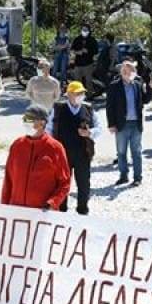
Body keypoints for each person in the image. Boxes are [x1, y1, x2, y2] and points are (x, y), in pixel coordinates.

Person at [46, 82, 102, 215]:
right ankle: (61, 209)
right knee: (62, 183)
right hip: (62, 154)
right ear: (69, 94)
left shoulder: (89, 109)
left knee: (84, 183)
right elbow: (48, 129)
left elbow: (99, 128)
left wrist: (90, 133)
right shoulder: (58, 108)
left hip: (83, 153)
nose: (80, 96)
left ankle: (82, 210)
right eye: (77, 93)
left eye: (82, 93)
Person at [3, 105, 71, 210]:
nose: (26, 122)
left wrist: (52, 203)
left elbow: (64, 183)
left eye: (29, 119)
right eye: (24, 119)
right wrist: (3, 207)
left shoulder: (55, 148)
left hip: (42, 214)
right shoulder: (17, 145)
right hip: (16, 211)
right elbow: (8, 179)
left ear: (42, 123)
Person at [106, 60, 146, 187]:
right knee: (121, 152)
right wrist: (111, 124)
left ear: (134, 72)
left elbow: (146, 100)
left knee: (136, 152)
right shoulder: (114, 86)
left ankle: (137, 178)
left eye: (129, 70)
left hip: (136, 124)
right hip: (121, 124)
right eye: (124, 69)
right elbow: (109, 106)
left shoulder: (138, 85)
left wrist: (151, 87)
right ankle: (123, 176)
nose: (126, 72)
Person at [70, 23, 99, 88]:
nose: (84, 31)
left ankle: (89, 96)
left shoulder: (92, 40)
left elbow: (96, 51)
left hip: (88, 64)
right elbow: (72, 50)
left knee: (88, 81)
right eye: (83, 29)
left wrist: (88, 51)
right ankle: (78, 97)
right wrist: (78, 52)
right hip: (78, 64)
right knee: (77, 82)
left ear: (89, 31)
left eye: (86, 30)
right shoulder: (77, 39)